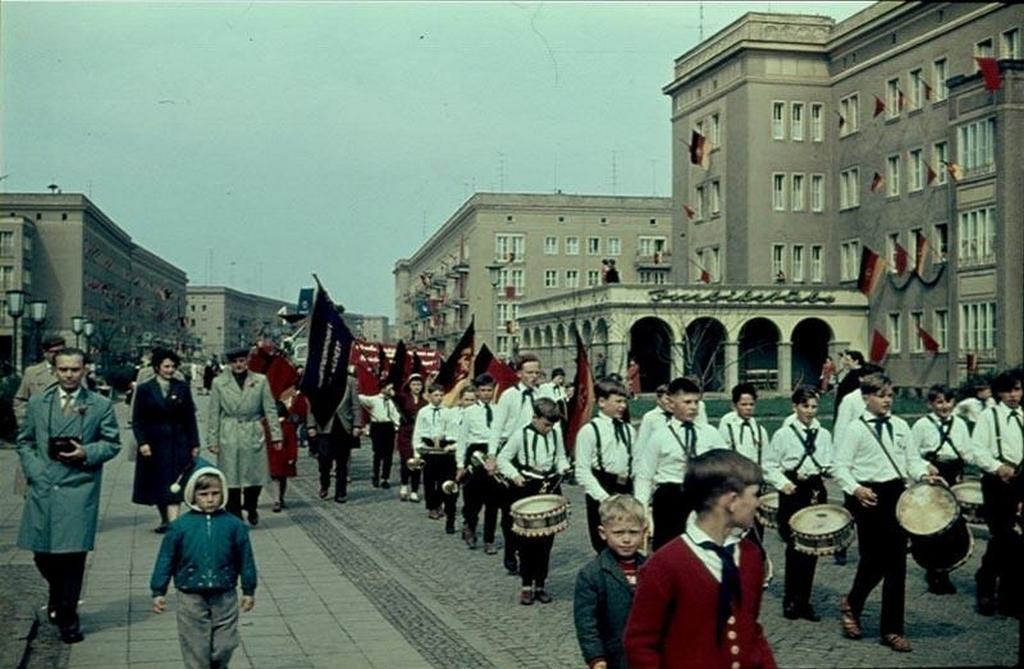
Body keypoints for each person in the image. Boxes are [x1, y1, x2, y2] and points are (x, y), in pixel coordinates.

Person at [624, 450, 777, 669]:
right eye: (754, 494)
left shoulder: (751, 556)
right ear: (732, 500)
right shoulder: (664, 565)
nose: (758, 502)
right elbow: (640, 644)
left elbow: (751, 629)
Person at [16, 347, 121, 643]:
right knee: (42, 554)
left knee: (73, 556)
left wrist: (86, 452)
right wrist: (35, 470)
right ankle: (57, 593)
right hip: (45, 486)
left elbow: (112, 443)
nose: (69, 375)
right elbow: (25, 442)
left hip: (79, 487)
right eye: (63, 369)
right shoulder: (38, 403)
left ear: (84, 369)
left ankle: (68, 617)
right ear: (54, 370)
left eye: (75, 369)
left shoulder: (99, 404)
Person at [833, 372, 929, 653]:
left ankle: (892, 630)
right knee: (873, 560)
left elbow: (912, 460)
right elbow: (840, 466)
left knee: (897, 564)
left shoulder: (900, 425)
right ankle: (853, 602)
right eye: (880, 395)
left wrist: (924, 474)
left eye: (890, 395)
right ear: (866, 398)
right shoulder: (855, 429)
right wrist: (856, 489)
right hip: (869, 498)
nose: (887, 400)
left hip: (896, 495)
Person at [151, 461, 257, 669]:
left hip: (225, 593)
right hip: (190, 593)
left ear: (223, 493)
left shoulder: (234, 525)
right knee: (195, 645)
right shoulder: (180, 526)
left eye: (215, 493)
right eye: (203, 494)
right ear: (192, 495)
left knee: (225, 644)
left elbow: (246, 558)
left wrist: (249, 589)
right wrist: (158, 590)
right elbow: (166, 558)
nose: (210, 499)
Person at [763, 386, 833, 621]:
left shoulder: (823, 434)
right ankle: (790, 600)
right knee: (794, 547)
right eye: (805, 406)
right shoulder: (784, 434)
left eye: (814, 406)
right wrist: (783, 483)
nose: (810, 411)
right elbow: (769, 465)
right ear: (795, 407)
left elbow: (829, 461)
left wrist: (829, 470)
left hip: (815, 489)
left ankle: (805, 601)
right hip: (792, 490)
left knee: (812, 547)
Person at [634, 376, 725, 551]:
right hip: (670, 499)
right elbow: (644, 476)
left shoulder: (710, 433)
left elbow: (726, 466)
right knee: (668, 548)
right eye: (687, 402)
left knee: (703, 548)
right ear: (671, 403)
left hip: (702, 497)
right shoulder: (659, 436)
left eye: (696, 402)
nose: (693, 407)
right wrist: (642, 510)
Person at [496, 397, 570, 605]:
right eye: (546, 424)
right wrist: (514, 475)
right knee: (527, 540)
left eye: (552, 425)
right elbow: (503, 459)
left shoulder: (555, 433)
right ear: (535, 417)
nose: (549, 429)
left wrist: (563, 467)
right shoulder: (520, 435)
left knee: (546, 539)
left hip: (550, 486)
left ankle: (541, 584)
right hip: (527, 486)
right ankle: (526, 584)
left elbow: (560, 457)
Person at [909, 383, 974, 594]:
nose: (944, 406)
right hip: (931, 475)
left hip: (953, 474)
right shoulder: (921, 425)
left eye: (948, 401)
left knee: (951, 525)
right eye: (939, 402)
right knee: (933, 525)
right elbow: (911, 454)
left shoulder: (960, 424)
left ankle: (946, 569)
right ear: (930, 404)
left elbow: (967, 451)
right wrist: (924, 467)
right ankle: (933, 571)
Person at [490, 353, 552, 575]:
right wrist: (492, 455)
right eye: (529, 372)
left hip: (534, 454)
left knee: (532, 507)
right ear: (518, 374)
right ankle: (510, 548)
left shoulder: (543, 395)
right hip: (511, 453)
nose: (534, 376)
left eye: (537, 372)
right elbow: (497, 427)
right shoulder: (509, 396)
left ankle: (526, 552)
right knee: (510, 508)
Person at [207, 347, 282, 525]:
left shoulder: (260, 380)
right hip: (230, 430)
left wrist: (276, 435)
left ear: (247, 361)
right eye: (234, 362)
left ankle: (251, 505)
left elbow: (270, 409)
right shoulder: (219, 382)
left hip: (252, 429)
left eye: (241, 361)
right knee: (231, 476)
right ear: (229, 364)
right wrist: (212, 439)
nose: (238, 365)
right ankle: (235, 514)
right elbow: (213, 412)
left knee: (255, 474)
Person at [970, 370, 1023, 617]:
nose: (1013, 395)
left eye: (1017, 389)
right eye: (1007, 391)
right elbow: (977, 450)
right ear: (998, 393)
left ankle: (1010, 596)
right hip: (996, 484)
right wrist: (996, 467)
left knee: (1018, 541)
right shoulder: (989, 416)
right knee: (1003, 536)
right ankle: (986, 584)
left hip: (1021, 482)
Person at [574, 494, 647, 669]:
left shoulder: (652, 568)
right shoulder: (592, 574)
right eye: (618, 533)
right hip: (614, 656)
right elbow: (586, 622)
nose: (626, 539)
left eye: (633, 532)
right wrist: (596, 657)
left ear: (644, 532)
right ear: (603, 533)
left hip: (648, 655)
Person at [131, 348, 201, 533]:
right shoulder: (145, 389)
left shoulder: (182, 387)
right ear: (157, 367)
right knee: (158, 483)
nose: (170, 370)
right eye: (166, 366)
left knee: (175, 481)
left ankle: (173, 524)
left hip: (178, 442)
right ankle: (165, 518)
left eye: (173, 366)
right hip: (154, 444)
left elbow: (189, 417)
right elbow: (137, 419)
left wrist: (194, 443)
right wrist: (142, 442)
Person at [576, 379, 636, 552]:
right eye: (618, 401)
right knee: (604, 541)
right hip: (602, 487)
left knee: (627, 539)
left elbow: (636, 461)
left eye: (624, 401)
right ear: (602, 402)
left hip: (625, 487)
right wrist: (604, 498)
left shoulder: (628, 430)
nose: (623, 406)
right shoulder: (589, 431)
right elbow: (582, 470)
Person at [307, 368, 362, 503]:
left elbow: (356, 405)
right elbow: (312, 405)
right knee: (324, 460)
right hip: (324, 427)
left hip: (343, 427)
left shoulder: (350, 381)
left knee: (342, 461)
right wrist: (311, 425)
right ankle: (324, 483)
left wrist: (357, 425)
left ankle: (341, 492)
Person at [456, 375, 497, 550]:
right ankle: (470, 527)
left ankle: (489, 539)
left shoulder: (499, 410)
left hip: (493, 453)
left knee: (493, 500)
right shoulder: (469, 412)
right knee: (473, 499)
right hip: (475, 454)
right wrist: (460, 464)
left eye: (489, 390)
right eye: (483, 390)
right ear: (477, 392)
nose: (486, 393)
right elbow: (462, 439)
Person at [414, 382, 458, 530]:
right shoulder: (423, 412)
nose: (439, 398)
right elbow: (418, 432)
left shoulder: (448, 412)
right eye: (435, 395)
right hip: (428, 450)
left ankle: (439, 503)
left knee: (442, 481)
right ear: (429, 396)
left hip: (443, 450)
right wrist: (417, 452)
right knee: (429, 481)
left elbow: (452, 429)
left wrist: (445, 439)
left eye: (441, 395)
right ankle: (431, 507)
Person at [13, 335, 66, 424]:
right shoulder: (32, 372)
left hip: (65, 424)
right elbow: (21, 399)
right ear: (45, 353)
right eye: (55, 352)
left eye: (62, 352)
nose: (59, 355)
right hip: (39, 424)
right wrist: (23, 421)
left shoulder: (74, 371)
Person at [268, 390, 307, 512]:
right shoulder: (285, 426)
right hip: (278, 457)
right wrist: (292, 457)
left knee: (278, 479)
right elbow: (293, 444)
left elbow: (292, 443)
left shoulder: (282, 426)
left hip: (278, 457)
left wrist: (292, 457)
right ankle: (278, 500)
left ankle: (279, 499)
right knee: (278, 479)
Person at [359, 381, 401, 489]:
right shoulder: (374, 400)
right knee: (377, 454)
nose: (391, 390)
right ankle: (376, 476)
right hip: (377, 426)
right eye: (388, 388)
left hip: (389, 426)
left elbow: (396, 414)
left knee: (388, 454)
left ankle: (385, 478)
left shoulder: (391, 401)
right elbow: (360, 398)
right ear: (382, 389)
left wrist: (397, 426)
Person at [395, 373, 427, 502]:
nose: (417, 387)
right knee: (406, 461)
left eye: (419, 384)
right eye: (414, 384)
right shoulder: (403, 398)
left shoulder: (425, 402)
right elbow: (394, 396)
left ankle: (414, 490)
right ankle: (404, 486)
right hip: (405, 434)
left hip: (419, 434)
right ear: (409, 385)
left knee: (417, 462)